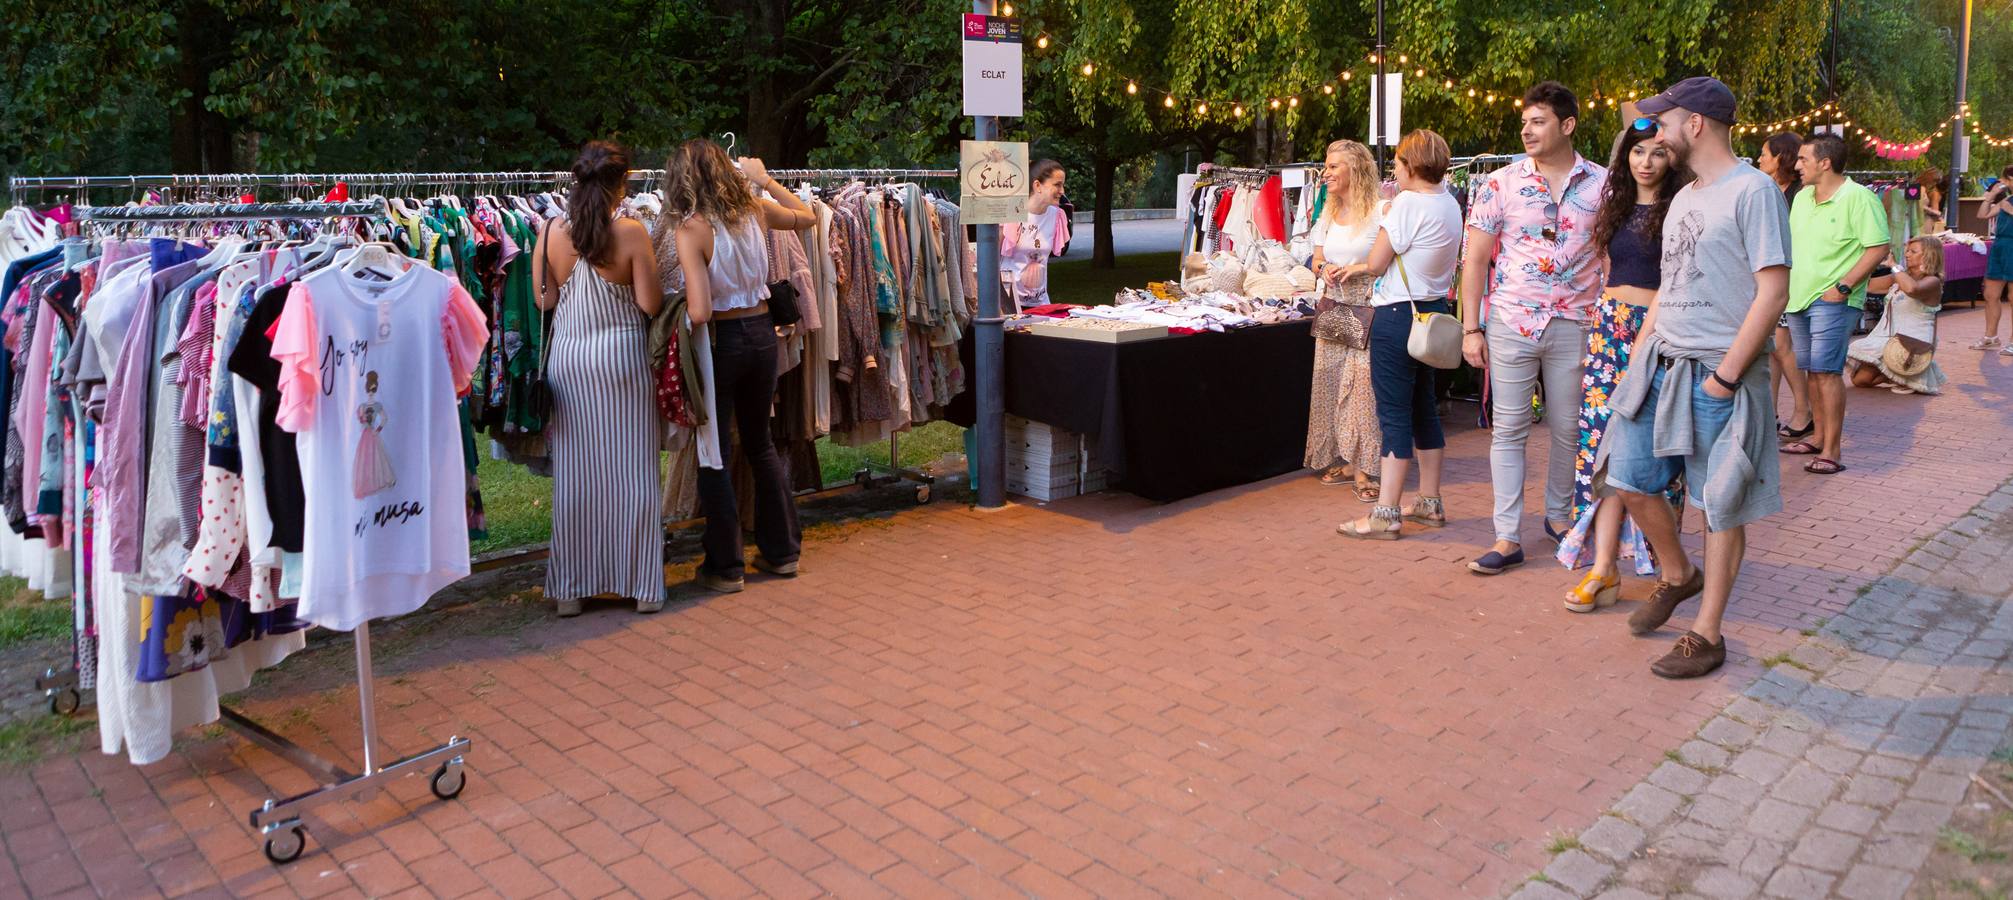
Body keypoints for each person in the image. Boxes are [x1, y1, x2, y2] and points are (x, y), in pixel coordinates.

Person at [1605, 76, 1791, 678]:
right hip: (1660, 364)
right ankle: (1679, 572)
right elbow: (1672, 283)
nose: (1655, 131)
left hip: (1718, 374)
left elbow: (1774, 290)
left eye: (1664, 121)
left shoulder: (1754, 190)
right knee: (1629, 480)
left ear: (1696, 124)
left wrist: (1727, 378)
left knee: (1720, 505)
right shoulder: (1686, 197)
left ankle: (1706, 635)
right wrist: (1639, 353)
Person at [1456, 82, 1606, 575]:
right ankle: (1506, 535)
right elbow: (1474, 261)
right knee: (1509, 429)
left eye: (1538, 121)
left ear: (1568, 126)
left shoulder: (1603, 185)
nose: (1526, 130)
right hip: (1511, 321)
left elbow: (1609, 260)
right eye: (1524, 122)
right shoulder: (1498, 183)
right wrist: (1469, 329)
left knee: (1567, 429)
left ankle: (1560, 518)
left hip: (1576, 322)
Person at [664, 139, 817, 593]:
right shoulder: (754, 207)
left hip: (722, 341)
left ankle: (725, 566)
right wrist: (765, 178)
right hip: (763, 337)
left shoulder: (691, 228)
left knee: (715, 451)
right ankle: (782, 552)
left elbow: (699, 311)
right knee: (760, 444)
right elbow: (808, 218)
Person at [1557, 120, 1692, 610]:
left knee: (1652, 451)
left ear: (1673, 159)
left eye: (1658, 153)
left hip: (1658, 334)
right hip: (1609, 328)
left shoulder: (1681, 208)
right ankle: (1603, 566)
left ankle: (1667, 564)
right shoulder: (1613, 205)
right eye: (1638, 151)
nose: (1647, 162)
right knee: (1600, 450)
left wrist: (1650, 335)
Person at [532, 141, 667, 617]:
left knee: (576, 477)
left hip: (569, 360)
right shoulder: (631, 232)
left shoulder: (548, 231)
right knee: (633, 473)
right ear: (621, 184)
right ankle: (643, 587)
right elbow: (650, 304)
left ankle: (570, 590)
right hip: (620, 360)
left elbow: (544, 301)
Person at [1336, 130, 1462, 541]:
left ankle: (1385, 511)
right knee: (1423, 405)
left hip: (1397, 314)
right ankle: (1429, 500)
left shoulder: (1406, 204)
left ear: (1411, 166)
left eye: (1399, 163)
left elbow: (1376, 261)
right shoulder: (1450, 203)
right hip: (1433, 314)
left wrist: (1388, 218)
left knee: (1393, 412)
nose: (1395, 169)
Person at [1780, 132, 1890, 476]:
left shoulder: (1858, 198)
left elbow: (1878, 247)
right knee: (1812, 371)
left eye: (1803, 159)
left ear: (1824, 163)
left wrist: (1843, 287)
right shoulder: (1801, 197)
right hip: (1798, 297)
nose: (1796, 165)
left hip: (1832, 299)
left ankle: (1832, 449)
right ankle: (1817, 437)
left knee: (1827, 373)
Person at [1305, 139, 1384, 502]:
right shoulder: (1328, 213)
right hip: (1333, 308)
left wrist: (1358, 269)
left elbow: (1387, 260)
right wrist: (1325, 268)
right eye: (1327, 165)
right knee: (1331, 384)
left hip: (1367, 309)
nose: (1326, 172)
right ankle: (1346, 460)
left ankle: (1367, 467)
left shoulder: (1380, 212)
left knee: (1362, 391)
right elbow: (1316, 258)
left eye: (1334, 166)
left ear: (1357, 170)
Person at [1759, 132, 1813, 440]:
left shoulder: (1798, 193)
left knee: (1781, 345)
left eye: (1766, 153)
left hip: (1790, 278)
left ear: (1781, 157)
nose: (1760, 158)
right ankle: (1771, 412)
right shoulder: (1768, 188)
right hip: (1769, 275)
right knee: (1771, 348)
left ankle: (1804, 410)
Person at [1848, 236, 1945, 395]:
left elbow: (1912, 289)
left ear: (1929, 255)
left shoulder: (1933, 281)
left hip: (1912, 343)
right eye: (1907, 251)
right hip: (1890, 339)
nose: (1907, 254)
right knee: (1860, 380)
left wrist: (1894, 266)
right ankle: (1897, 376)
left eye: (1913, 251)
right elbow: (1868, 286)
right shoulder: (1898, 277)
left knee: (1862, 379)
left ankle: (1907, 373)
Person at [1001, 160, 1069, 310]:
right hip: (1010, 303)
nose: (1062, 191)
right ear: (1037, 185)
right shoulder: (1012, 214)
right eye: (1057, 185)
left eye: (1062, 185)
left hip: (1041, 303)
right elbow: (991, 259)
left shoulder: (1056, 216)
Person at [1977, 167, 2013, 351]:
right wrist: (1990, 197)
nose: (2002, 182)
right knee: (1991, 294)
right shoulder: (2006, 200)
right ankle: (1990, 336)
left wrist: (2010, 210)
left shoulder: (2008, 204)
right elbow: (1982, 215)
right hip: (2000, 246)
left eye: (2004, 179)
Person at [1918, 168, 1946, 235]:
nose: (1936, 184)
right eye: (1936, 181)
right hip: (1924, 221)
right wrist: (1933, 211)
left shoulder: (1921, 188)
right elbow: (1919, 205)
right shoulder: (1922, 189)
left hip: (1923, 220)